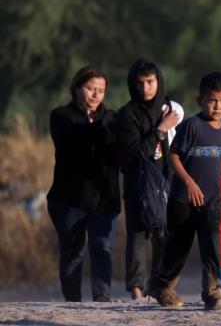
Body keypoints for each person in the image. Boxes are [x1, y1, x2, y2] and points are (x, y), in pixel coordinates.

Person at [151, 72, 221, 310]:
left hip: (212, 200)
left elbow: (219, 155)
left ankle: (212, 293)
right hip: (183, 200)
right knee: (179, 247)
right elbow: (172, 156)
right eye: (212, 100)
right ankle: (164, 286)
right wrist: (189, 183)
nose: (217, 106)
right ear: (200, 99)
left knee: (212, 245)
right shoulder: (192, 126)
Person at [47, 66, 120, 302]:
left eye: (101, 90)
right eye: (90, 88)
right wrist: (103, 127)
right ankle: (73, 303)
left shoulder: (111, 119)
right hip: (68, 200)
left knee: (102, 248)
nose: (96, 94)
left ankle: (102, 300)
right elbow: (71, 139)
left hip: (104, 199)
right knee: (73, 253)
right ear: (77, 88)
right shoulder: (61, 116)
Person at [117, 59, 182, 300]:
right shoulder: (128, 114)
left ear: (159, 82)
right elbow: (134, 153)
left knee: (165, 235)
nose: (146, 88)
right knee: (138, 234)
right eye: (141, 83)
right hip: (138, 182)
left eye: (151, 82)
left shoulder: (169, 109)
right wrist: (160, 129)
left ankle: (162, 287)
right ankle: (136, 289)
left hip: (167, 181)